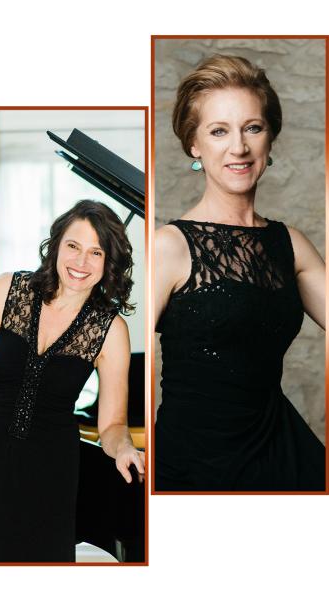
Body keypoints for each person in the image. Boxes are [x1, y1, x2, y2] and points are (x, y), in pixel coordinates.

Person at [154, 55, 326, 491]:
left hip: (283, 455)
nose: (239, 148)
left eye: (253, 127)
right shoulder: (170, 246)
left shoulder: (291, 244)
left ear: (269, 138)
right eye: (218, 131)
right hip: (194, 470)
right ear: (194, 144)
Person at [0, 200, 142, 563]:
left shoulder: (111, 330)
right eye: (73, 246)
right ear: (56, 245)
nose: (81, 263)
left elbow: (112, 425)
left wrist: (125, 447)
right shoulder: (7, 289)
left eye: (96, 252)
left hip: (50, 473)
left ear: (108, 261)